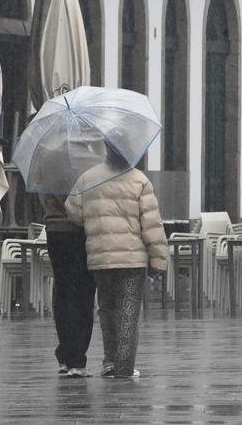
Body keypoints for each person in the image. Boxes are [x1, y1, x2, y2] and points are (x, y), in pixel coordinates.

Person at [66, 146, 168, 378]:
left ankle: (110, 361)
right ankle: (123, 367)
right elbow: (152, 225)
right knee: (128, 312)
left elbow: (73, 212)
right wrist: (159, 261)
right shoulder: (139, 180)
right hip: (132, 261)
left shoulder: (87, 178)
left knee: (108, 309)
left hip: (100, 258)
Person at [42, 191, 97, 378]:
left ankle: (65, 353)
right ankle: (76, 359)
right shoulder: (86, 170)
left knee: (63, 291)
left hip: (54, 229)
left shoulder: (48, 166)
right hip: (80, 230)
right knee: (84, 292)